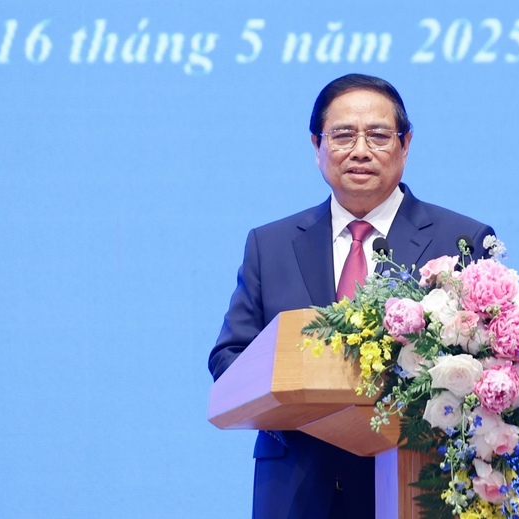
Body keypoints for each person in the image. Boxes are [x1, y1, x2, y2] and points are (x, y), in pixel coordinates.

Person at [208, 74, 495, 519]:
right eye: (343, 135)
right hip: (296, 488)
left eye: (378, 135)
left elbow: (491, 366)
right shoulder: (271, 244)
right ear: (317, 146)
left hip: (418, 481)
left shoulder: (460, 240)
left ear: (405, 144)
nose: (360, 150)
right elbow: (229, 359)